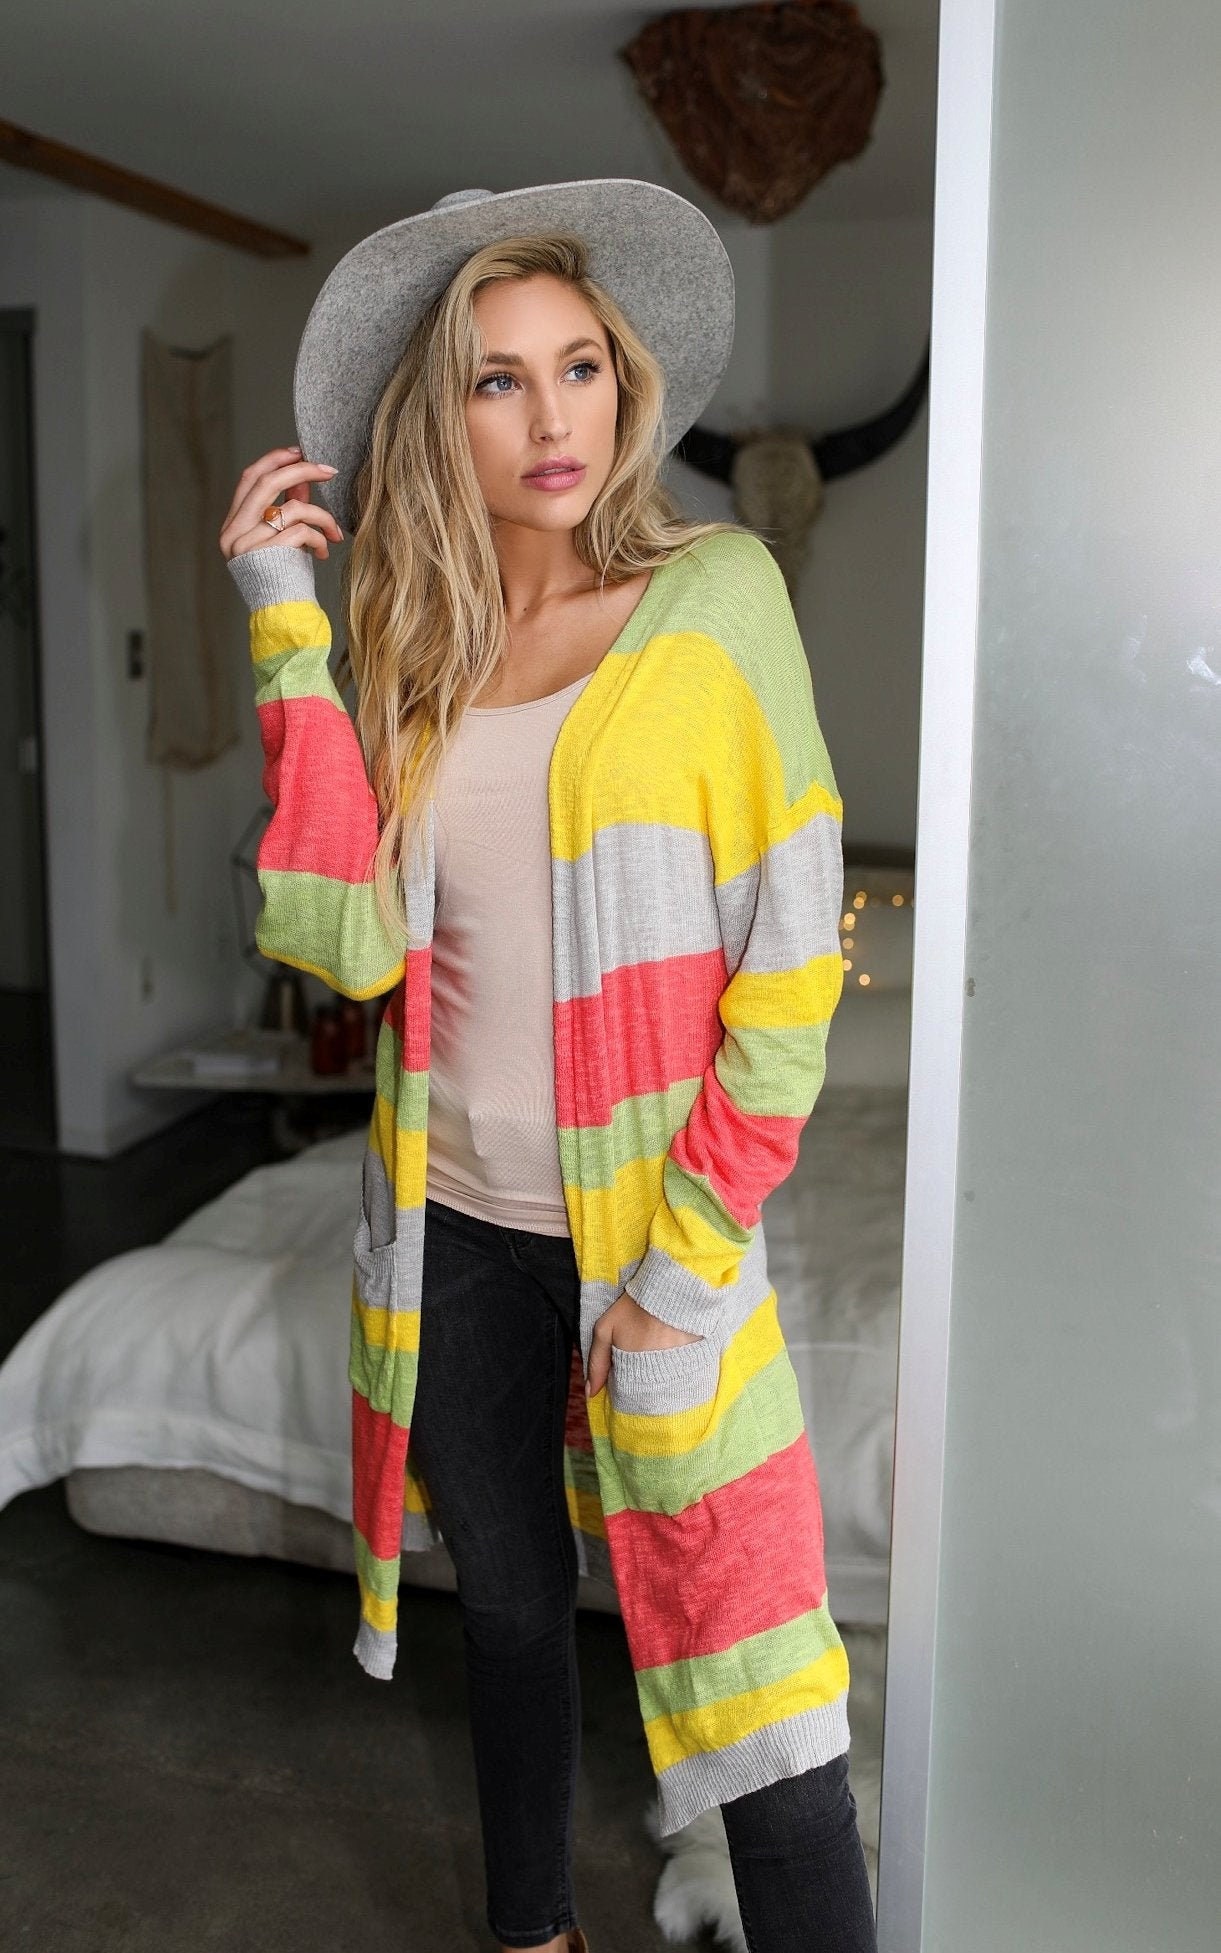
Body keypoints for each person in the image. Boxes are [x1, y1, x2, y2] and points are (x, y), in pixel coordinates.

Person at [219, 181, 877, 1953]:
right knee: (509, 1614)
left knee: (765, 1702)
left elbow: (790, 969)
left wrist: (677, 1274)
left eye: (577, 365)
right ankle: (534, 1935)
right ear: (442, 418)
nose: (551, 414)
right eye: (498, 379)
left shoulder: (714, 598)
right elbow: (343, 939)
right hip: (449, 1232)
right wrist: (285, 617)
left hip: (654, 1237)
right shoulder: (414, 653)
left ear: (623, 383)